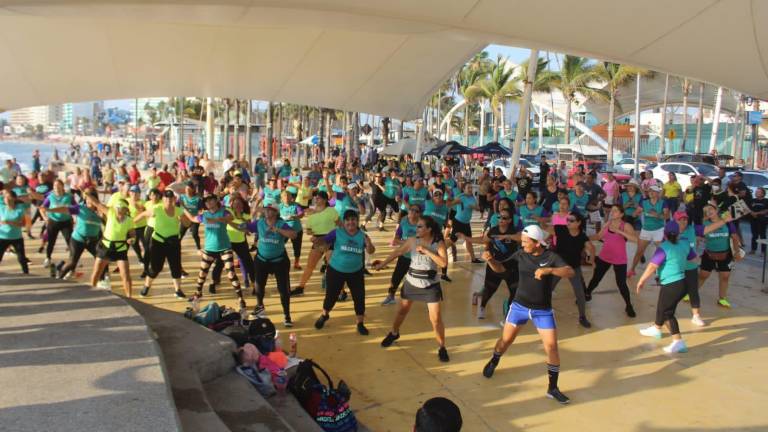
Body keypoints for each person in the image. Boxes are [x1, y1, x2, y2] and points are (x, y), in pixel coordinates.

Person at [480, 225, 574, 404]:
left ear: (537, 243)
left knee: (552, 347)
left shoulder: (551, 257)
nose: (522, 245)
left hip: (542, 311)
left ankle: (552, 388)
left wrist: (550, 270)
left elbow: (569, 271)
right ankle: (494, 360)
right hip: (519, 307)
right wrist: (491, 260)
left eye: (525, 242)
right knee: (505, 341)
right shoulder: (520, 255)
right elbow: (501, 269)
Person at [377, 215, 449, 361]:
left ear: (429, 229)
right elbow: (397, 252)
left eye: (420, 226)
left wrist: (427, 251)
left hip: (430, 286)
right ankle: (394, 333)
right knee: (402, 311)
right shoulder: (412, 241)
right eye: (417, 226)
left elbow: (443, 264)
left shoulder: (438, 243)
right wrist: (382, 264)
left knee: (435, 319)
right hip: (412, 283)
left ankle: (442, 347)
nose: (417, 229)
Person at [636, 220, 697, 354]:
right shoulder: (685, 243)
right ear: (678, 233)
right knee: (663, 306)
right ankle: (657, 328)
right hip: (682, 282)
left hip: (671, 284)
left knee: (667, 312)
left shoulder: (664, 247)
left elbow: (652, 266)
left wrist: (641, 280)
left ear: (664, 234)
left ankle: (678, 341)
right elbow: (693, 259)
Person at [314, 210, 375, 335]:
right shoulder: (337, 233)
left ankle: (360, 323)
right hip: (336, 270)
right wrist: (317, 241)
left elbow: (371, 250)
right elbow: (324, 241)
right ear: (344, 222)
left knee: (359, 297)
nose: (350, 222)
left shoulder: (363, 236)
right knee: (331, 296)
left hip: (356, 272)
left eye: (353, 219)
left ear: (357, 221)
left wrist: (368, 244)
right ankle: (325, 315)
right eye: (348, 220)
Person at [242, 202, 297, 326]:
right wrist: (242, 225)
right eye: (266, 210)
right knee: (259, 287)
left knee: (283, 290)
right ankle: (260, 307)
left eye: (270, 210)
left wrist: (278, 230)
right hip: (261, 260)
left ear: (276, 213)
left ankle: (287, 315)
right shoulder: (259, 223)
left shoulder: (281, 224)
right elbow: (245, 227)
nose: (267, 212)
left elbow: (294, 235)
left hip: (279, 262)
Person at [189, 195, 248, 309]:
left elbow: (230, 217)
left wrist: (215, 219)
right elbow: (193, 218)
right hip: (209, 249)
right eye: (206, 202)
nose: (208, 203)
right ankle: (198, 294)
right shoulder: (204, 215)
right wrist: (183, 210)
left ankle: (241, 299)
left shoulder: (223, 211)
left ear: (216, 201)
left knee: (231, 274)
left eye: (210, 200)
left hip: (225, 248)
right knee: (202, 274)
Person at [586, 204, 638, 317]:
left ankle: (628, 305)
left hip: (619, 259)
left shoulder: (626, 225)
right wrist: (585, 237)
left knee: (621, 284)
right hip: (605, 256)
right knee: (596, 278)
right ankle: (587, 293)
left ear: (621, 214)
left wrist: (619, 231)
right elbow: (599, 236)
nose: (612, 213)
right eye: (611, 211)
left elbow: (635, 239)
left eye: (615, 211)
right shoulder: (607, 224)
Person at [134, 189, 188, 298]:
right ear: (163, 199)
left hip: (173, 242)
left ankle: (178, 290)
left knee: (176, 267)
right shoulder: (157, 209)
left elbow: (187, 223)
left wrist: (183, 217)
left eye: (170, 197)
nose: (168, 199)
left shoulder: (178, 210)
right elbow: (143, 214)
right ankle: (146, 286)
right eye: (166, 197)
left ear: (174, 199)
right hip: (158, 242)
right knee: (155, 267)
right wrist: (130, 224)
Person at [549, 211, 594, 328]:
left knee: (580, 293)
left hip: (574, 268)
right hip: (559, 266)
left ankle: (582, 317)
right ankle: (542, 312)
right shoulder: (560, 229)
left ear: (578, 223)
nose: (568, 222)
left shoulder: (582, 236)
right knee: (548, 289)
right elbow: (546, 229)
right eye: (567, 220)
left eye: (571, 220)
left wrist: (592, 260)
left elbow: (591, 247)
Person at [476, 207, 522, 320]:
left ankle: (509, 310)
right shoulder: (493, 230)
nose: (501, 219)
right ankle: (482, 306)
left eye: (504, 217)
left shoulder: (514, 231)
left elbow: (521, 238)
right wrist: (465, 237)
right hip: (494, 264)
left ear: (510, 220)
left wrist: (507, 236)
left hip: (511, 266)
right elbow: (483, 240)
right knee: (490, 289)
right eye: (499, 217)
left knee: (515, 291)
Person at [50, 189, 105, 281]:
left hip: (93, 240)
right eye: (87, 199)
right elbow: (65, 208)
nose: (89, 201)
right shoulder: (80, 208)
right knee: (72, 262)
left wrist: (103, 218)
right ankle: (58, 279)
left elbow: (109, 223)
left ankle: (102, 280)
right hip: (78, 240)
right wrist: (50, 209)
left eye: (91, 199)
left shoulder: (100, 211)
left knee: (101, 260)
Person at [85, 194, 134, 297]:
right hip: (106, 247)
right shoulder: (110, 213)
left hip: (120, 249)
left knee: (125, 275)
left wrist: (132, 239)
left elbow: (132, 234)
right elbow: (96, 203)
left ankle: (129, 297)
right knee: (97, 271)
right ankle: (90, 292)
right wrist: (87, 194)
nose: (118, 210)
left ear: (126, 209)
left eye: (121, 208)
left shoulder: (129, 220)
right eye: (117, 208)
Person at [291, 191, 339, 296]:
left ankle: (340, 291)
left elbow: (339, 225)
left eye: (319, 198)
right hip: (317, 241)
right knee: (310, 266)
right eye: (316, 198)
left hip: (331, 240)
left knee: (333, 267)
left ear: (325, 200)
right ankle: (301, 287)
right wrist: (312, 234)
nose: (316, 199)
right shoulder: (312, 214)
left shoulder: (331, 211)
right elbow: (308, 230)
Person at [697, 203, 743, 308]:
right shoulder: (705, 224)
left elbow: (735, 237)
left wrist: (737, 252)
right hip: (709, 254)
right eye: (706, 211)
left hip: (726, 254)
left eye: (710, 209)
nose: (709, 212)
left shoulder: (727, 223)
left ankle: (722, 299)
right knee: (703, 275)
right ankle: (691, 293)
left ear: (716, 210)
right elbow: (698, 238)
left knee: (725, 277)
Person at [381, 203, 421, 306]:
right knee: (396, 277)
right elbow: (396, 239)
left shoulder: (422, 224)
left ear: (420, 214)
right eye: (412, 210)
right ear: (408, 211)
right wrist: (408, 243)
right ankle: (391, 296)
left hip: (418, 258)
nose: (414, 213)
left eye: (417, 211)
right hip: (404, 255)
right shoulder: (404, 221)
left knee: (416, 279)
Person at [629, 185, 668, 277]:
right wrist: (635, 213)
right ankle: (632, 269)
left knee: (661, 252)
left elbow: (667, 216)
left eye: (653, 191)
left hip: (659, 229)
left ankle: (660, 272)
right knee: (639, 251)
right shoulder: (644, 202)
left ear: (658, 193)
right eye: (649, 191)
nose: (650, 192)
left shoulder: (663, 203)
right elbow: (635, 214)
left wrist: (657, 215)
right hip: (646, 229)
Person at [39, 179, 74, 269]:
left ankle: (73, 260)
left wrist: (76, 218)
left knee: (69, 241)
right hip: (53, 222)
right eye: (55, 186)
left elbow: (76, 208)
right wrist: (45, 218)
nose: (57, 187)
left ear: (62, 186)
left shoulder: (69, 196)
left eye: (59, 185)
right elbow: (42, 208)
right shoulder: (50, 197)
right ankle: (48, 258)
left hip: (66, 222)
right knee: (51, 241)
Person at [0, 190, 30, 274]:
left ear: (14, 199)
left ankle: (26, 274)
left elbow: (23, 224)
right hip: (2, 238)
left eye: (9, 197)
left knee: (21, 258)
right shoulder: (1, 207)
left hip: (16, 237)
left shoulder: (20, 208)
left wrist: (9, 222)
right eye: (5, 198)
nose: (7, 199)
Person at [749, 187, 768, 254]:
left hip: (762, 220)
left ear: (763, 193)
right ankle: (753, 250)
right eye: (756, 192)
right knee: (754, 235)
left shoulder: (766, 201)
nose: (756, 193)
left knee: (762, 235)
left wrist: (757, 213)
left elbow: (766, 210)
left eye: (758, 192)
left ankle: (763, 251)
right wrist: (751, 212)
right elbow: (748, 208)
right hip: (753, 220)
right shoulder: (753, 200)